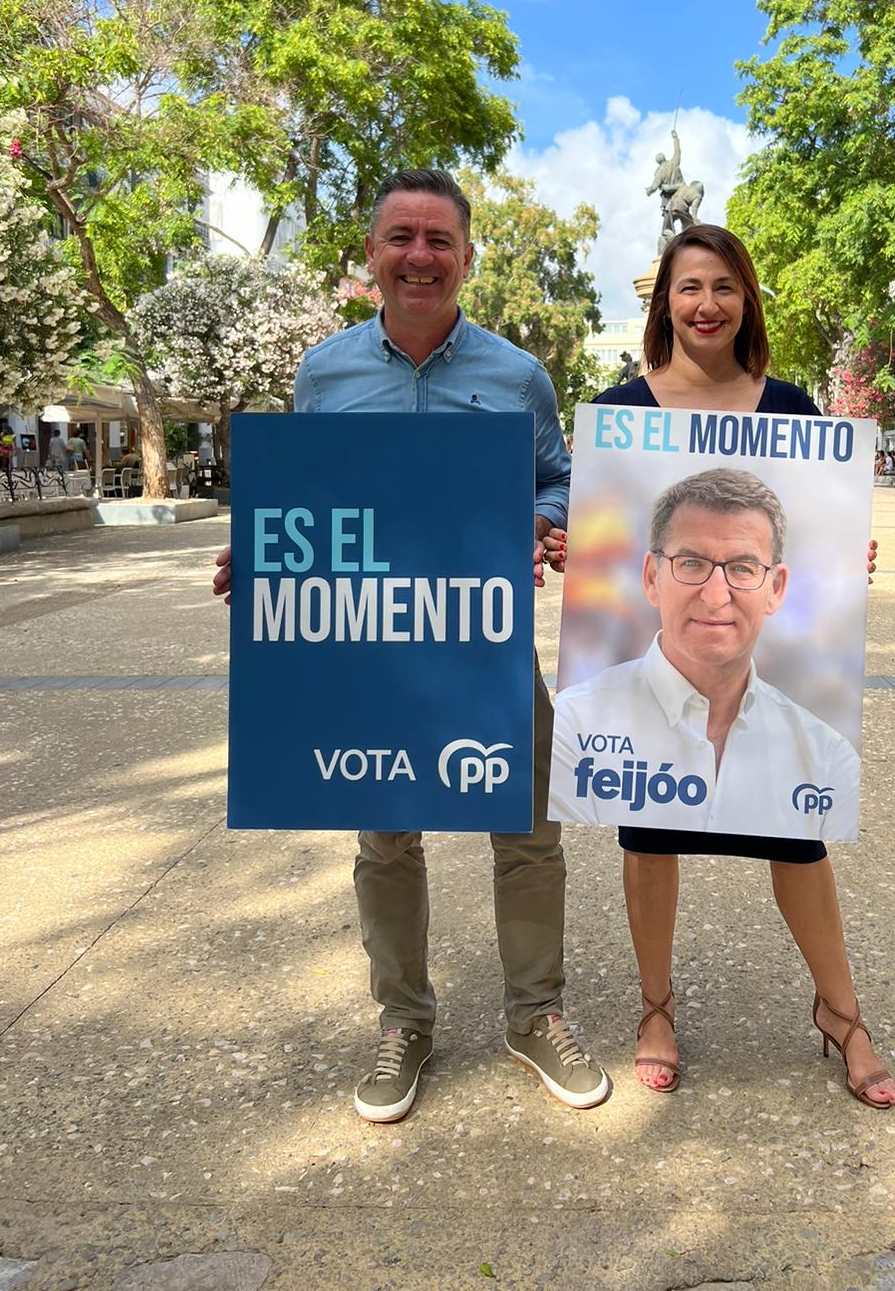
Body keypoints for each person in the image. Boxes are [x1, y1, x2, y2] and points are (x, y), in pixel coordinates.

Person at [212, 169, 609, 1125]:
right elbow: (309, 498)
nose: (419, 256)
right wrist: (265, 545)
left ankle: (534, 1015)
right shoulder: (324, 374)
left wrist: (540, 525)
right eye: (401, 237)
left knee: (527, 830)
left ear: (467, 258)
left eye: (439, 240)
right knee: (385, 839)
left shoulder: (517, 376)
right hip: (372, 652)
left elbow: (562, 482)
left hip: (486, 639)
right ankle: (405, 1022)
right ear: (372, 257)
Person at [544, 223, 895, 1107]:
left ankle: (842, 1011)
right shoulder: (622, 408)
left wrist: (845, 559)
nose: (707, 304)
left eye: (725, 287)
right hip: (653, 683)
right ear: (665, 301)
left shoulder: (790, 407)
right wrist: (570, 553)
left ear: (747, 301)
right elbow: (605, 538)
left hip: (758, 686)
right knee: (649, 833)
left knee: (798, 838)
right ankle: (654, 1008)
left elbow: (810, 544)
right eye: (689, 287)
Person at [550, 467, 860, 836]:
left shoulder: (829, 759)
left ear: (775, 589)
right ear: (652, 577)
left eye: (742, 568)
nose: (715, 597)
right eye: (692, 563)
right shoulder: (574, 725)